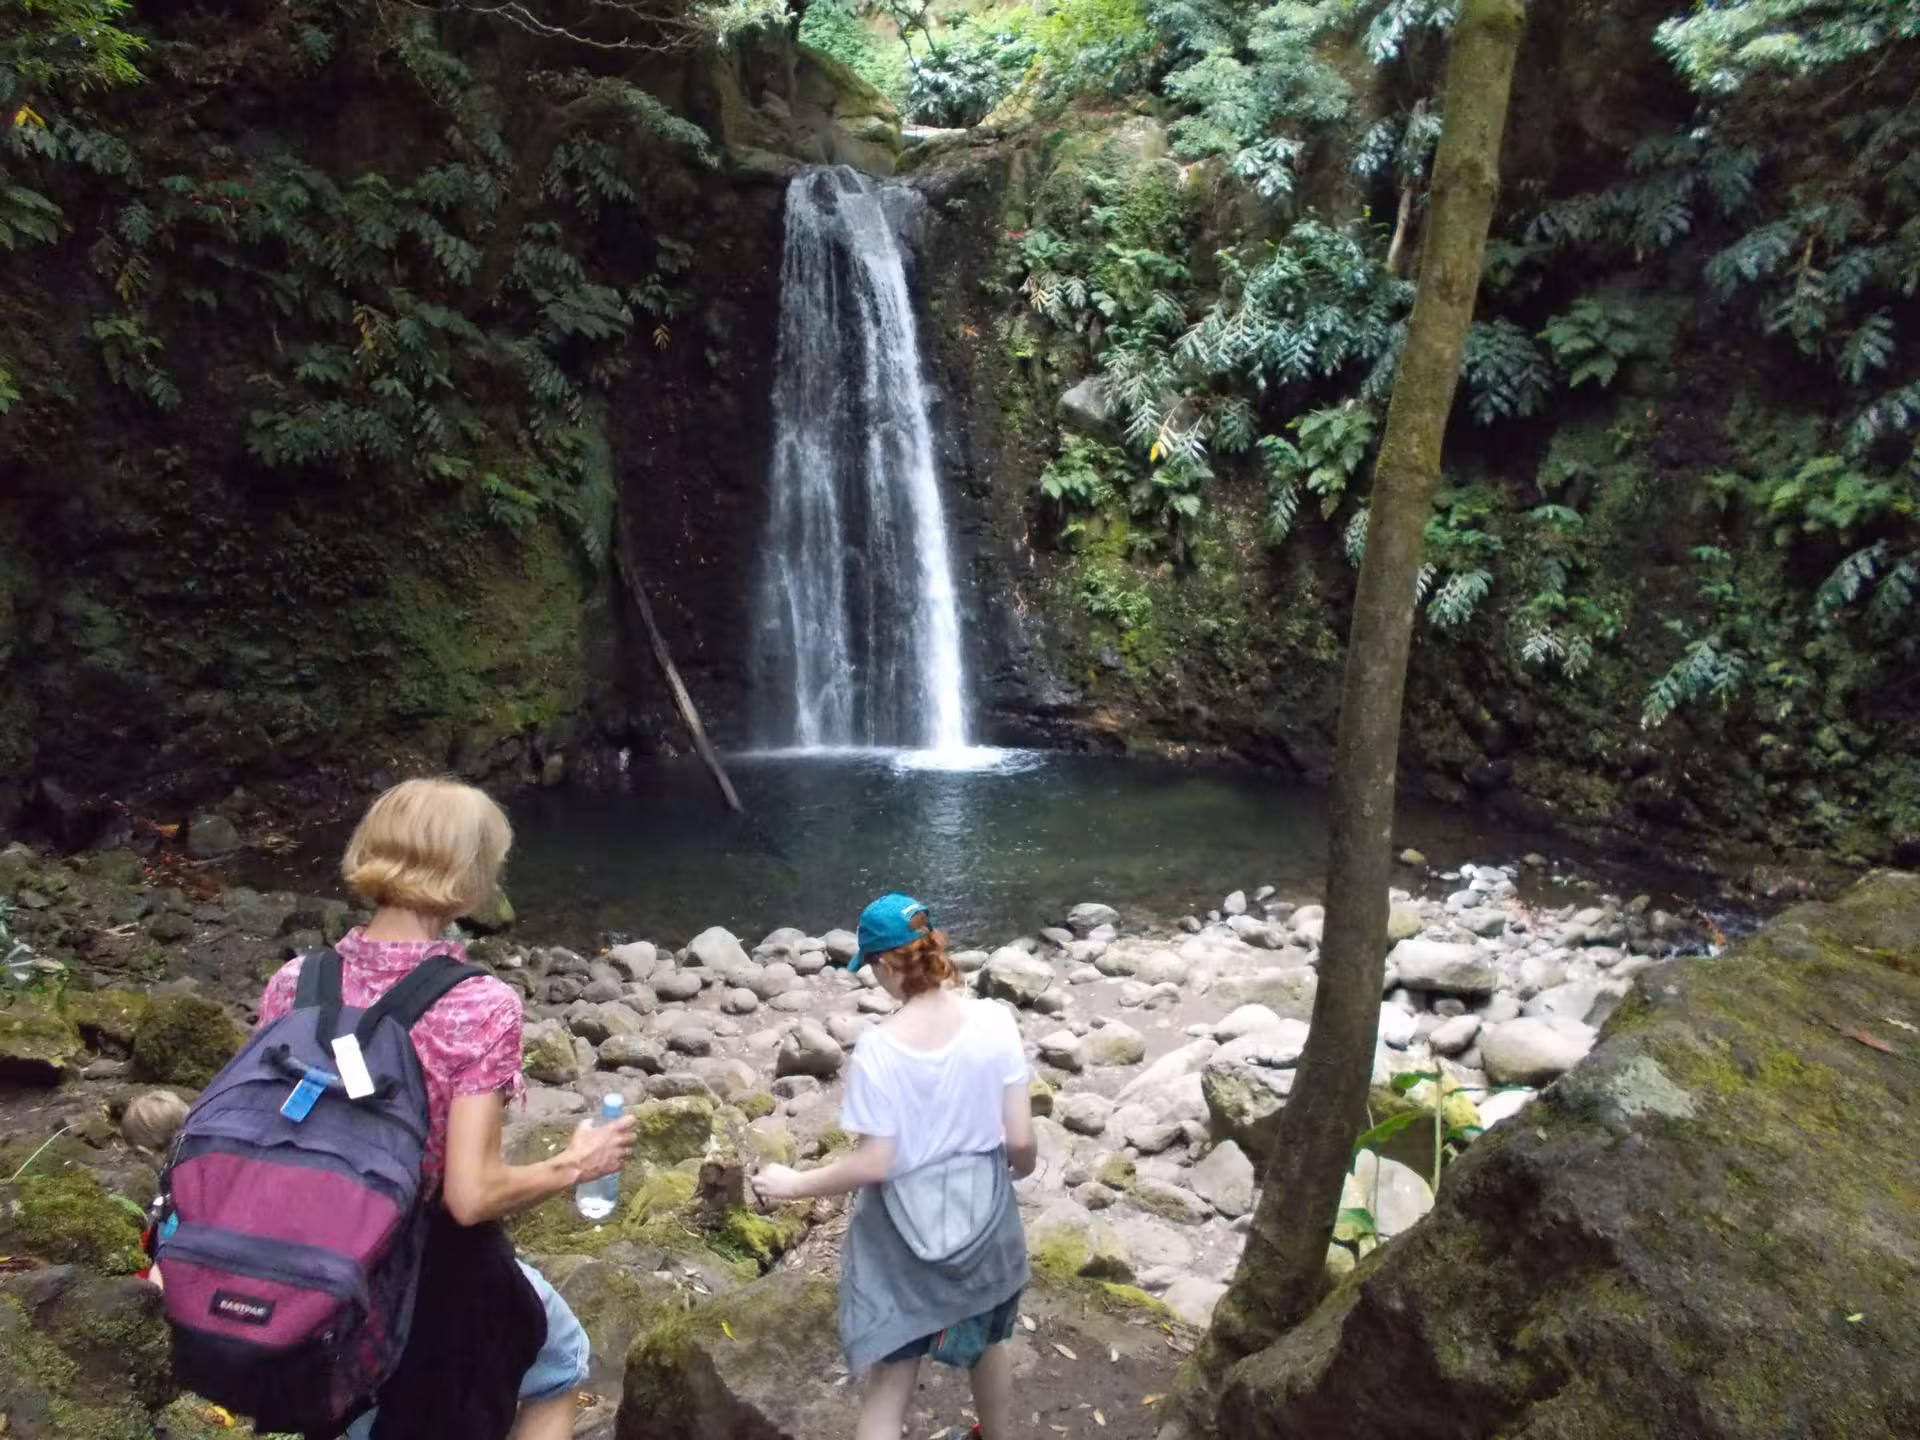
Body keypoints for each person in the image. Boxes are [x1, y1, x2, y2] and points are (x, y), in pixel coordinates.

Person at [255, 777, 635, 1440]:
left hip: (307, 1256)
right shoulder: (475, 1004)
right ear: (469, 882)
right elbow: (469, 1195)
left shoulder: (295, 982)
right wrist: (578, 1163)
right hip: (420, 1267)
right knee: (560, 1360)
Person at [753, 893, 1036, 1440]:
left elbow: (877, 1162)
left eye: (871, 969)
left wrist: (794, 1184)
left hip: (902, 1238)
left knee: (891, 1382)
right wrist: (1005, 1175)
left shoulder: (880, 1050)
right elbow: (1022, 1142)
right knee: (991, 1340)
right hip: (986, 1213)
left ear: (885, 964)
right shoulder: (996, 1021)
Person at [122, 1089, 190, 1290]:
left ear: (144, 1152)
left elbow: (171, 1232)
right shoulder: (206, 1160)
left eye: (139, 1157)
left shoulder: (172, 1190)